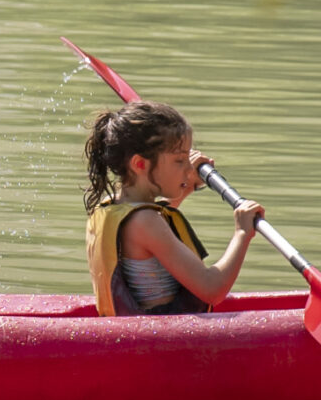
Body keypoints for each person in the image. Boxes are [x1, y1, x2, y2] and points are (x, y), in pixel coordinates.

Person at [83, 100, 264, 316]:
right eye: (179, 160)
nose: (188, 169)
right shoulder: (146, 222)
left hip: (143, 335)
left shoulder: (115, 205)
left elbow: (156, 226)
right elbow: (212, 289)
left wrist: (185, 187)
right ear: (140, 164)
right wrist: (242, 233)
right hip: (159, 341)